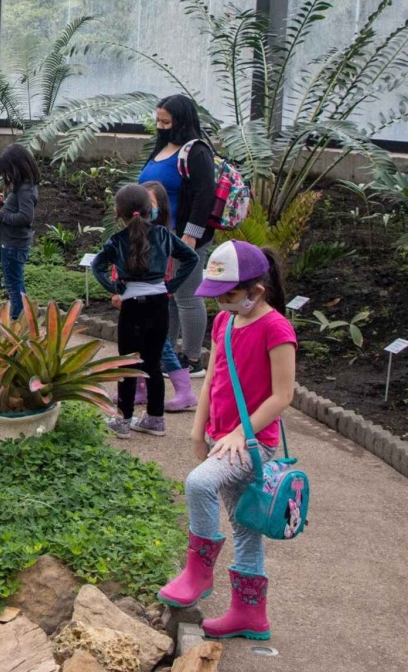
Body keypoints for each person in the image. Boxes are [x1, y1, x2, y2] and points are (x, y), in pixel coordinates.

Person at [159, 240, 295, 642]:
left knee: (199, 483)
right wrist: (198, 429)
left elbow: (282, 396)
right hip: (223, 439)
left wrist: (241, 432)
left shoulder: (276, 328)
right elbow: (215, 378)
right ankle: (250, 615)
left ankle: (198, 572)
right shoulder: (224, 323)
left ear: (257, 291)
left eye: (229, 296)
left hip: (254, 445)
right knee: (244, 526)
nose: (222, 304)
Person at [92, 183, 200, 439]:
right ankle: (155, 418)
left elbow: (97, 267)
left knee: (127, 363)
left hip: (132, 305)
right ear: (149, 208)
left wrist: (114, 286)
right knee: (152, 363)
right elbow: (191, 258)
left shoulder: (116, 241)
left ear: (118, 212)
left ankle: (123, 420)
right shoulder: (163, 234)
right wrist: (170, 284)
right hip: (159, 303)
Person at [140, 94, 216, 375]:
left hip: (184, 239)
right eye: (157, 120)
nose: (160, 126)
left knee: (187, 295)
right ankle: (167, 351)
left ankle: (192, 359)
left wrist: (191, 236)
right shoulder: (162, 147)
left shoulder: (196, 152)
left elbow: (203, 194)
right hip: (161, 238)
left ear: (181, 121)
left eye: (166, 121)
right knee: (168, 296)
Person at [136, 180, 200, 412]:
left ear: (161, 207)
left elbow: (191, 258)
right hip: (138, 299)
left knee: (161, 345)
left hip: (154, 299)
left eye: (150, 203)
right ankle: (140, 389)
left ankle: (184, 392)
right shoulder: (139, 233)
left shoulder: (162, 235)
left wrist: (171, 285)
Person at [0, 144, 39, 320]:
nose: (7, 175)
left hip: (13, 245)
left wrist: (1, 214)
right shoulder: (24, 187)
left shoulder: (25, 189)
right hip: (12, 243)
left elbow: (25, 218)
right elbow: (18, 209)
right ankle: (20, 320)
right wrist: (4, 203)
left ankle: (18, 323)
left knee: (14, 286)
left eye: (8, 171)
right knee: (14, 284)